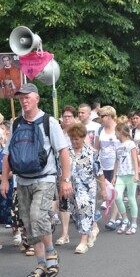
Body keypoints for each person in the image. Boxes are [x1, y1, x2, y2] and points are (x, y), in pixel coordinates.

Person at [0, 83, 72, 277]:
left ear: (37, 98)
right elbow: (6, 155)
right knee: (29, 225)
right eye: (21, 97)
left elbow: (63, 152)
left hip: (45, 178)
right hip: (22, 180)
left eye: (27, 97)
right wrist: (5, 180)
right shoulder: (16, 124)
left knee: (37, 216)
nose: (24, 100)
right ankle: (41, 264)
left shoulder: (49, 122)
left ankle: (51, 254)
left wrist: (65, 179)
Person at [66, 123, 106, 253]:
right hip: (71, 189)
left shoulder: (92, 153)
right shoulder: (66, 152)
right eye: (72, 138)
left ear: (83, 138)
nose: (74, 141)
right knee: (77, 215)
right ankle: (91, 231)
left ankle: (82, 242)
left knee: (85, 211)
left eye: (76, 138)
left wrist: (104, 189)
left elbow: (99, 172)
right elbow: (62, 171)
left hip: (87, 188)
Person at [93, 106, 122, 230]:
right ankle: (121, 215)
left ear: (110, 116)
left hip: (117, 166)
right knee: (108, 193)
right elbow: (96, 148)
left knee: (114, 192)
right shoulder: (100, 130)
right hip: (103, 166)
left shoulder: (120, 128)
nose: (101, 118)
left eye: (102, 116)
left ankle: (113, 220)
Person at [112, 123, 139, 234]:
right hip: (120, 175)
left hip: (131, 174)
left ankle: (133, 223)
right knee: (117, 197)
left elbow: (135, 159)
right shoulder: (117, 146)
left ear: (120, 132)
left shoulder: (131, 144)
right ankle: (125, 219)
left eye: (116, 132)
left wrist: (137, 174)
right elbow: (117, 161)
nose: (115, 134)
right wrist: (114, 176)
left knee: (131, 198)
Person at [55, 105, 77, 247]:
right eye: (65, 116)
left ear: (74, 118)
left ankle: (91, 227)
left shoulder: (79, 132)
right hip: (62, 172)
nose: (67, 119)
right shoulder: (59, 133)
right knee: (64, 202)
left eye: (69, 116)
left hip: (78, 172)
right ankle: (64, 234)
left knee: (80, 202)